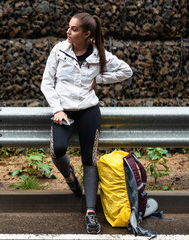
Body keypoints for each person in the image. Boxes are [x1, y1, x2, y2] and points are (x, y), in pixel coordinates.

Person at [41, 12, 133, 234]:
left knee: (89, 159)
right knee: (57, 150)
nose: (68, 32)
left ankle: (90, 213)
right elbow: (47, 83)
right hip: (64, 111)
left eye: (73, 29)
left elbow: (126, 71)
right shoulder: (59, 50)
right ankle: (71, 178)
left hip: (89, 111)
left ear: (87, 34)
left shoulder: (99, 54)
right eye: (69, 28)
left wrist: (99, 78)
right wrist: (57, 109)